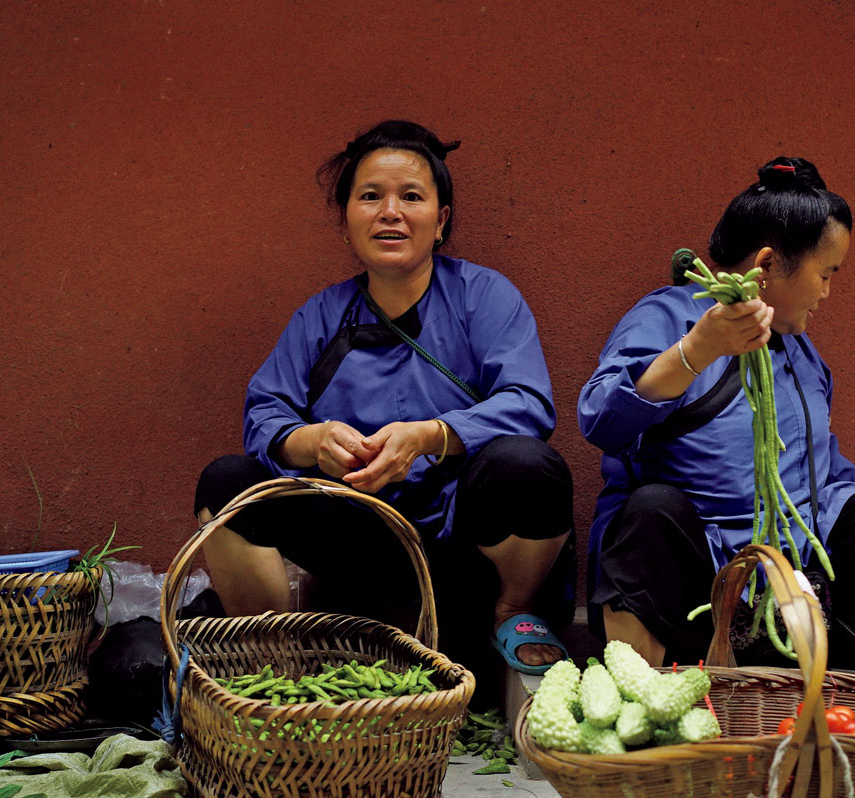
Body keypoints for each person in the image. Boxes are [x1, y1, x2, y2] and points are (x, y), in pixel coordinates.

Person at [194, 120, 575, 678]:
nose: (390, 212)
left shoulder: (485, 296)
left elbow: (529, 402)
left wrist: (429, 436)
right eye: (370, 197)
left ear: (441, 220)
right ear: (347, 219)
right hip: (361, 540)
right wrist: (313, 442)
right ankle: (274, 664)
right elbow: (264, 412)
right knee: (226, 482)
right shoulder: (321, 318)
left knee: (529, 466)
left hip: (465, 547)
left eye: (412, 197)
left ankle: (513, 614)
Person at [577, 157, 855, 692]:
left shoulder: (802, 352)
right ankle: (638, 709)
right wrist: (697, 350)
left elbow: (821, 468)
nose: (828, 291)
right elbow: (599, 419)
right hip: (693, 594)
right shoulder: (668, 316)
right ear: (767, 263)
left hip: (794, 587)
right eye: (825, 274)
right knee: (650, 511)